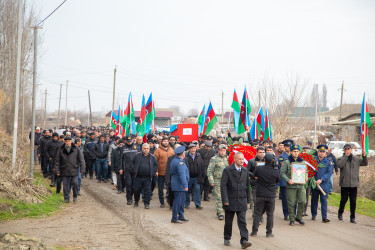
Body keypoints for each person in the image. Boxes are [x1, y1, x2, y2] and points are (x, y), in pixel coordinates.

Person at [221, 152, 252, 249]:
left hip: (242, 199)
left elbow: (247, 186)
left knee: (242, 221)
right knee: (229, 221)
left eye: (243, 159)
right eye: (240, 159)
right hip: (231, 200)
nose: (242, 161)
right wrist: (225, 200)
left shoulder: (245, 170)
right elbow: (223, 186)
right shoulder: (227, 170)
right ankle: (227, 237)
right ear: (235, 159)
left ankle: (244, 240)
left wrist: (248, 200)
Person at [251, 153, 280, 237]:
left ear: (264, 160)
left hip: (260, 194)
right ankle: (269, 232)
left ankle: (254, 232)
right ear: (273, 161)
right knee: (270, 214)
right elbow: (278, 180)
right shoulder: (275, 171)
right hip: (271, 195)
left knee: (257, 213)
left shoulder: (259, 168)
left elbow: (254, 175)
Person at [337, 143, 368, 223]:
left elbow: (365, 163)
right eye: (345, 149)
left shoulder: (356, 159)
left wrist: (364, 156)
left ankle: (352, 217)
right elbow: (340, 165)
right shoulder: (341, 158)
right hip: (344, 183)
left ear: (351, 150)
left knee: (353, 201)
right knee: (344, 199)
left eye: (348, 149)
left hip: (354, 183)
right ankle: (340, 212)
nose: (347, 150)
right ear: (344, 150)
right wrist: (346, 157)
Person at [280, 144, 307, 226]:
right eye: (294, 151)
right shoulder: (287, 161)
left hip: (301, 185)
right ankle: (292, 218)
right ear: (291, 152)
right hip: (291, 186)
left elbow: (306, 172)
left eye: (297, 151)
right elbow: (282, 173)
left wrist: (306, 177)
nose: (296, 153)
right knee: (291, 203)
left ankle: (298, 217)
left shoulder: (302, 162)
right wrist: (288, 180)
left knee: (303, 201)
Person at [55, 137, 86, 203]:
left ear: (71, 141)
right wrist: (57, 170)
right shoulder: (61, 150)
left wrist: (82, 169)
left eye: (69, 141)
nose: (68, 143)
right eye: (66, 141)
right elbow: (57, 161)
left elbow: (81, 160)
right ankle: (66, 198)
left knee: (75, 183)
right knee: (65, 185)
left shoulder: (76, 149)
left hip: (74, 169)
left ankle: (75, 196)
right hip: (64, 169)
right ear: (64, 142)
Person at [131, 143, 158, 209]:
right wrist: (134, 170)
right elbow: (132, 163)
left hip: (147, 178)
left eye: (147, 148)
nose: (146, 150)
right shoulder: (137, 156)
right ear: (142, 149)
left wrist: (153, 172)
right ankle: (136, 201)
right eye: (144, 148)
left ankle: (146, 203)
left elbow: (156, 165)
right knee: (136, 190)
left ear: (149, 149)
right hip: (138, 177)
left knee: (147, 191)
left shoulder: (152, 157)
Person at [311, 145, 332, 223]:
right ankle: (313, 214)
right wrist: (313, 179)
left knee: (324, 201)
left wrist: (321, 179)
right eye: (320, 151)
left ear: (325, 153)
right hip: (314, 184)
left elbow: (329, 172)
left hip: (324, 185)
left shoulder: (328, 162)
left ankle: (324, 217)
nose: (322, 153)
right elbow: (310, 170)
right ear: (318, 152)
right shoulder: (313, 160)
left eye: (323, 152)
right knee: (314, 200)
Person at [207, 144, 229, 220]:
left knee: (226, 197)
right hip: (218, 180)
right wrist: (211, 180)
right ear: (218, 151)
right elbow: (209, 170)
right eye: (221, 151)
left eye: (224, 150)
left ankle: (225, 210)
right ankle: (220, 213)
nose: (223, 152)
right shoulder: (214, 159)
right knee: (219, 197)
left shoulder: (228, 158)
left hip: (227, 181)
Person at [170, 146, 189, 223]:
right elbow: (182, 175)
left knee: (181, 201)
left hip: (178, 185)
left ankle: (181, 216)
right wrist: (185, 185)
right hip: (179, 185)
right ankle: (174, 217)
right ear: (182, 154)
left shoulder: (175, 160)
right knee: (178, 202)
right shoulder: (179, 162)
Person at [154, 137, 175, 208]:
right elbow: (155, 162)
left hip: (169, 173)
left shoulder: (171, 150)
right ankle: (162, 202)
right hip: (160, 173)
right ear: (161, 142)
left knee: (170, 189)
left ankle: (170, 203)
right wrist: (156, 170)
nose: (166, 142)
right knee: (160, 188)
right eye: (164, 141)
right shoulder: (158, 151)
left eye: (167, 141)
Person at [184, 144, 205, 210]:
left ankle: (198, 204)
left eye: (194, 148)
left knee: (197, 191)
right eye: (191, 149)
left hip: (197, 177)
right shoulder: (186, 157)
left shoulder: (198, 156)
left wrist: (203, 175)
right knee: (187, 191)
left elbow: (201, 166)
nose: (193, 150)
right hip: (188, 177)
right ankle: (187, 204)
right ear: (189, 149)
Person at [247, 146, 266, 217]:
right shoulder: (252, 161)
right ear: (257, 153)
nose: (262, 154)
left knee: (263, 201)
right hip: (255, 183)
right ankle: (257, 215)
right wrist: (253, 176)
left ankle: (259, 214)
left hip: (264, 184)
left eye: (263, 152)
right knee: (256, 200)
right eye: (260, 152)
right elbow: (247, 171)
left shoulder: (267, 161)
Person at [278, 139, 293, 220]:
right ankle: (286, 213)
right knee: (285, 199)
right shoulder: (281, 157)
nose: (289, 148)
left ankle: (292, 213)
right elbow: (280, 170)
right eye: (287, 146)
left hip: (294, 180)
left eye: (290, 146)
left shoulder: (294, 156)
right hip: (284, 181)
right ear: (284, 147)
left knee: (293, 199)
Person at [122, 136, 140, 205]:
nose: (130, 142)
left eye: (131, 141)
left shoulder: (137, 147)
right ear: (126, 141)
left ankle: (135, 198)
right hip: (127, 170)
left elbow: (139, 158)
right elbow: (121, 159)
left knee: (135, 185)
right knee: (128, 184)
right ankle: (129, 198)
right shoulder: (123, 148)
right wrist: (121, 168)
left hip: (135, 169)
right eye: (128, 141)